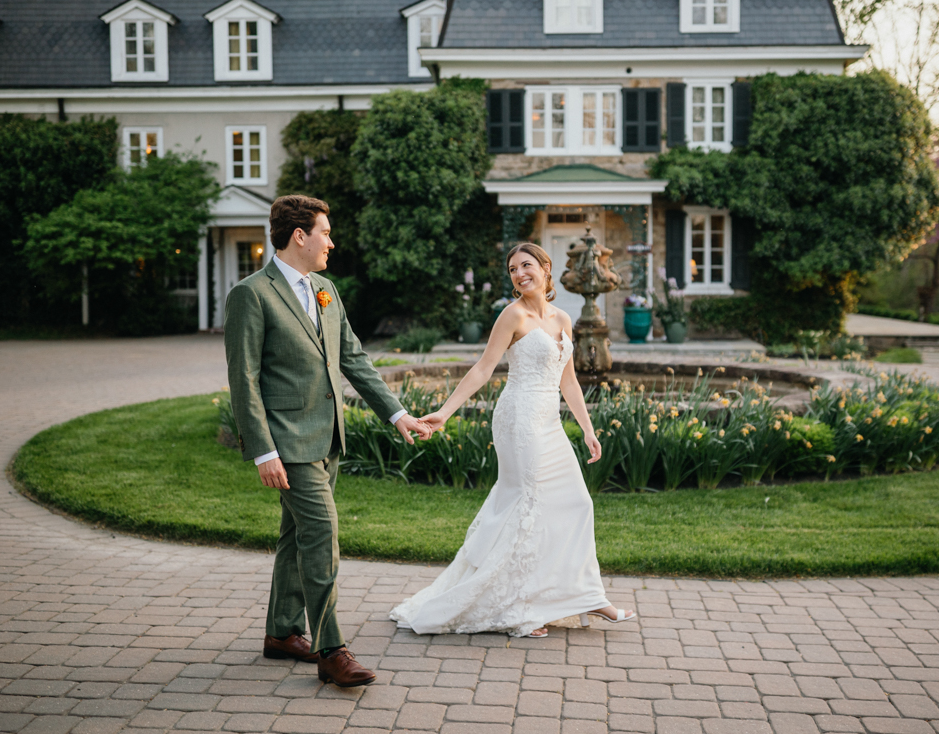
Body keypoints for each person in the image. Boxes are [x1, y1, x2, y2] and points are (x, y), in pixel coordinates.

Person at [224, 194, 431, 686]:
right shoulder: (250, 295)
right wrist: (264, 451)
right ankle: (331, 649)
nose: (331, 243)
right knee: (322, 539)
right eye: (325, 232)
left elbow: (354, 359)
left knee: (296, 537)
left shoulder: (325, 291)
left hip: (327, 438)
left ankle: (281, 633)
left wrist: (398, 414)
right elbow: (244, 380)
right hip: (287, 444)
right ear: (300, 236)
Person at [390, 243, 636, 638]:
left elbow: (568, 381)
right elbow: (483, 369)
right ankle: (523, 607)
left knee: (577, 501)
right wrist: (446, 412)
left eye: (526, 265)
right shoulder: (512, 315)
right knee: (529, 506)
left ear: (545, 268)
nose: (520, 274)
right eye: (513, 270)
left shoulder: (563, 318)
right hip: (518, 419)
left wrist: (588, 429)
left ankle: (587, 594)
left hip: (549, 422)